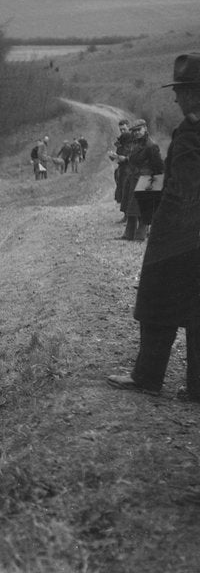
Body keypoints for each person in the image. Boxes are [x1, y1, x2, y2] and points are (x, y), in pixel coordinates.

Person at [107, 53, 200, 400]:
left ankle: (147, 377)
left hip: (181, 234)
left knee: (156, 303)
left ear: (194, 93)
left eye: (181, 90)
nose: (176, 98)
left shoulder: (192, 130)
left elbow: (187, 189)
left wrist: (160, 217)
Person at [118, 119, 163, 241]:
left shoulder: (151, 146)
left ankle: (140, 236)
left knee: (143, 208)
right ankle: (129, 235)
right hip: (135, 178)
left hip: (147, 179)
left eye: (139, 130)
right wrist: (125, 159)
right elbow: (134, 159)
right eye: (134, 131)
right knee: (131, 207)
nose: (136, 133)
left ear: (145, 129)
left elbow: (159, 166)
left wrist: (156, 183)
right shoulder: (137, 144)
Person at [109, 119, 132, 212]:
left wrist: (126, 158)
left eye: (124, 129)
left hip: (130, 168)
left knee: (128, 191)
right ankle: (125, 215)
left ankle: (130, 216)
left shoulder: (133, 139)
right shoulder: (121, 139)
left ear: (128, 127)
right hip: (122, 167)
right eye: (121, 130)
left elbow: (134, 153)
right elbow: (119, 153)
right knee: (122, 190)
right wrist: (113, 156)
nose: (122, 131)